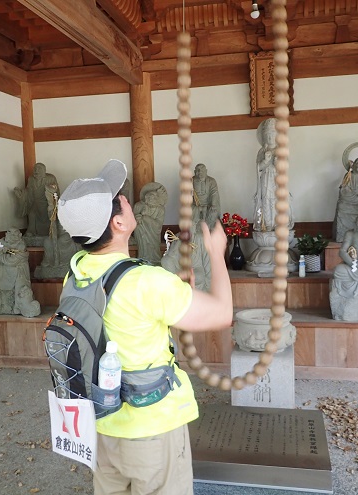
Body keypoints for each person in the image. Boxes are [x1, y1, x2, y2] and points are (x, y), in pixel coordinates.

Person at [56, 159, 232, 495]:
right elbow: (222, 313)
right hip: (151, 429)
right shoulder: (146, 281)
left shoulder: (74, 275)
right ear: (120, 222)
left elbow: (131, 324)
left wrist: (180, 294)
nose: (127, 198)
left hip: (104, 425)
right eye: (120, 197)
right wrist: (216, 254)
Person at [253, 118, 293, 233]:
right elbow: (258, 168)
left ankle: (278, 223)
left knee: (277, 200)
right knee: (266, 200)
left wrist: (277, 163)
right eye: (267, 135)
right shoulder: (262, 151)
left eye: (272, 134)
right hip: (265, 179)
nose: (270, 137)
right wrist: (265, 161)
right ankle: (268, 224)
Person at [14, 162, 60, 238]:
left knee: (49, 215)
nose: (36, 171)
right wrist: (21, 194)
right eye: (35, 169)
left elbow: (56, 190)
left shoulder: (50, 178)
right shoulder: (31, 179)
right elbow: (28, 191)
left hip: (46, 202)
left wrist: (52, 189)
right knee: (32, 213)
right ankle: (31, 231)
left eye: (39, 169)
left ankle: (49, 232)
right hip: (35, 202)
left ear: (44, 171)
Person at [133, 182, 168, 264]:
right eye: (149, 198)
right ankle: (142, 257)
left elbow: (158, 226)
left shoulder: (160, 209)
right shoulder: (138, 206)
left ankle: (154, 259)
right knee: (139, 229)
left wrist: (145, 218)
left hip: (153, 234)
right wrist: (138, 218)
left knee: (154, 247)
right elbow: (133, 221)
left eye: (154, 198)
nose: (151, 200)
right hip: (142, 232)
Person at [192, 163, 221, 229]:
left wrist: (213, 204)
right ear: (194, 172)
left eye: (202, 170)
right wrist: (198, 207)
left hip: (208, 204)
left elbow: (214, 193)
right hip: (195, 205)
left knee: (214, 211)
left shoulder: (211, 181)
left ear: (206, 171)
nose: (200, 172)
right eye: (198, 170)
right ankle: (193, 231)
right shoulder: (190, 181)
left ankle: (209, 231)